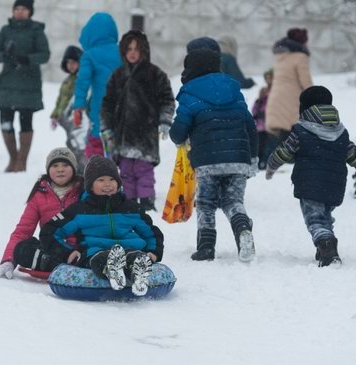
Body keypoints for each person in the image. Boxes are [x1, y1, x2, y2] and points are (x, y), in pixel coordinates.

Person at [265, 86, 356, 267]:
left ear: (304, 108)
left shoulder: (301, 130)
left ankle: (326, 246)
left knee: (315, 219)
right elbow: (354, 154)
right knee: (324, 216)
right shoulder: (340, 132)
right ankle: (325, 249)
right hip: (334, 185)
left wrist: (271, 166)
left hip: (310, 184)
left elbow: (284, 152)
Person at [169, 46, 258, 262]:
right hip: (238, 159)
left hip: (207, 162)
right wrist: (253, 156)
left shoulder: (190, 93)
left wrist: (178, 137)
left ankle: (206, 247)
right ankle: (242, 228)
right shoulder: (233, 88)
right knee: (233, 200)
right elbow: (249, 124)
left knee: (206, 203)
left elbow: (179, 130)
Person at [34, 156, 164, 296]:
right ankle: (112, 268)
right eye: (101, 180)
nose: (107, 184)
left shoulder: (130, 208)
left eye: (112, 180)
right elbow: (50, 231)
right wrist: (67, 253)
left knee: (134, 256)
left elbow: (151, 232)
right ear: (90, 185)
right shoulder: (79, 210)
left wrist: (154, 251)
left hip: (130, 249)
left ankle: (138, 272)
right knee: (100, 258)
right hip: (94, 251)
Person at [101, 30, 175, 211]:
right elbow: (107, 104)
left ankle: (147, 202)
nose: (133, 53)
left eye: (137, 49)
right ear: (123, 52)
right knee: (125, 171)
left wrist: (165, 120)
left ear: (144, 51)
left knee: (143, 170)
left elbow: (167, 99)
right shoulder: (117, 75)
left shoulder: (155, 74)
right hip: (123, 134)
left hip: (145, 133)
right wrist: (106, 127)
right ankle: (130, 202)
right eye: (129, 49)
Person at [0, 147, 83, 279]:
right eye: (55, 165)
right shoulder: (39, 195)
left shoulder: (83, 192)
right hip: (53, 250)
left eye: (65, 165)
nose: (60, 169)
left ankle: (71, 264)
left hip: (80, 249)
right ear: (48, 170)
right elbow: (23, 231)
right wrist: (8, 260)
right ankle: (61, 265)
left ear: (74, 168)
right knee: (23, 248)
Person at [0, 0, 50, 172]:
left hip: (28, 86)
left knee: (25, 122)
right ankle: (13, 159)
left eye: (23, 9)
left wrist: (27, 59)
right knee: (5, 123)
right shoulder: (5, 30)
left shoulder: (36, 30)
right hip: (7, 84)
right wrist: (5, 55)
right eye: (17, 9)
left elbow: (45, 55)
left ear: (30, 12)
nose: (20, 12)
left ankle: (22, 161)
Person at [72, 12, 122, 158]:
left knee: (96, 143)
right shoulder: (123, 52)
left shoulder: (90, 55)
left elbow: (82, 82)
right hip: (123, 107)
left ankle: (98, 171)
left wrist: (78, 107)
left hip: (100, 107)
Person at [266, 27, 312, 141]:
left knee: (280, 144)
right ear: (302, 42)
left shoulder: (281, 57)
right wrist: (317, 98)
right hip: (290, 104)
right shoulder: (300, 57)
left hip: (276, 103)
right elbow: (306, 84)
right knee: (292, 144)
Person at [50, 45, 86, 174]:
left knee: (77, 143)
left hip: (75, 118)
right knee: (71, 143)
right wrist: (55, 115)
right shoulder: (67, 81)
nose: (71, 65)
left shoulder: (81, 79)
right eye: (68, 62)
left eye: (74, 62)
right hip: (64, 119)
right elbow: (60, 101)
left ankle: (82, 169)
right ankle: (75, 167)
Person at [251, 68, 277, 170]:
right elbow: (256, 106)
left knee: (269, 146)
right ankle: (259, 163)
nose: (268, 80)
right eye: (267, 78)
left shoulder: (279, 91)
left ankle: (265, 163)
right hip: (261, 124)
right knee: (260, 145)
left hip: (272, 123)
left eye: (270, 78)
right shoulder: (263, 91)